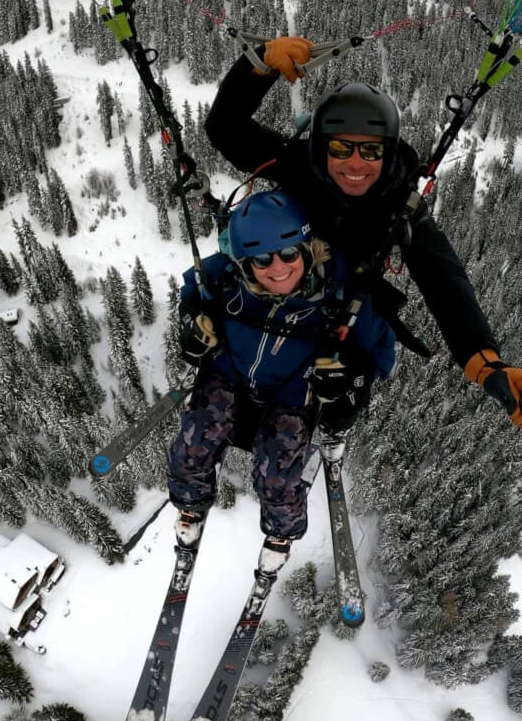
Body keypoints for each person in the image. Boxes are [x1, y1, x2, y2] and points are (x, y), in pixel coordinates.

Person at [204, 36, 522, 431]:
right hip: (284, 277)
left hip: (346, 303)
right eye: (340, 148)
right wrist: (257, 68)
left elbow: (441, 273)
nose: (354, 164)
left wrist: (480, 357)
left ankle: (331, 417)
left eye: (370, 152)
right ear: (320, 146)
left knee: (346, 386)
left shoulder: (397, 201)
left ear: (387, 153)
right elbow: (225, 130)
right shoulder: (299, 165)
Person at [166, 190, 395, 580]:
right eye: (261, 259)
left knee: (278, 473)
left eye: (289, 253)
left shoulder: (339, 295)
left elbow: (379, 353)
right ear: (244, 261)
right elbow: (193, 289)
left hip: (294, 389)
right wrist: (192, 322)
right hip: (232, 374)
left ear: (307, 248)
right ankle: (190, 504)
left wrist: (348, 377)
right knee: (194, 439)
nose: (277, 268)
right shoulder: (226, 278)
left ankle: (281, 535)